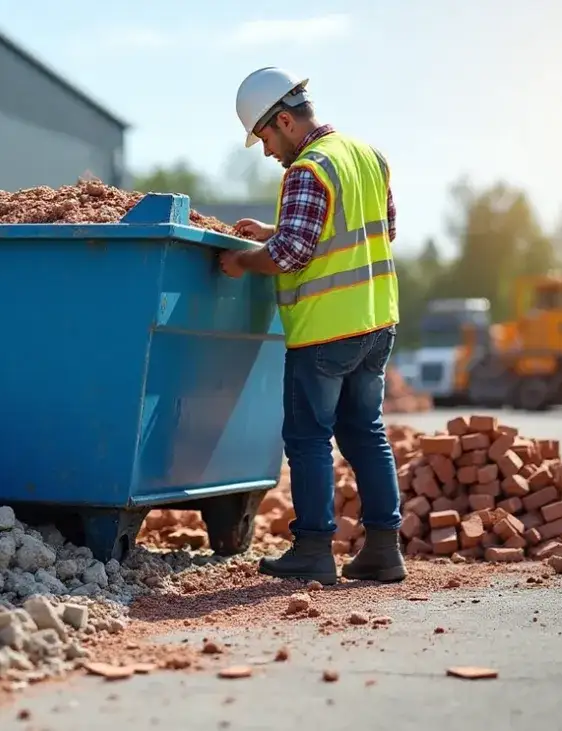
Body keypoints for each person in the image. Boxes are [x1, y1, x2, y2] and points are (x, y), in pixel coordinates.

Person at [218, 67, 404, 585]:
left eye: (264, 137)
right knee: (366, 434)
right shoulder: (366, 155)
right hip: (376, 323)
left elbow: (294, 253)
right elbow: (380, 230)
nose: (266, 151)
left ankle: (314, 550)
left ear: (284, 120)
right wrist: (275, 229)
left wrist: (245, 260)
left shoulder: (307, 169)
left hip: (325, 331)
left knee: (308, 438)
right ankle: (384, 551)